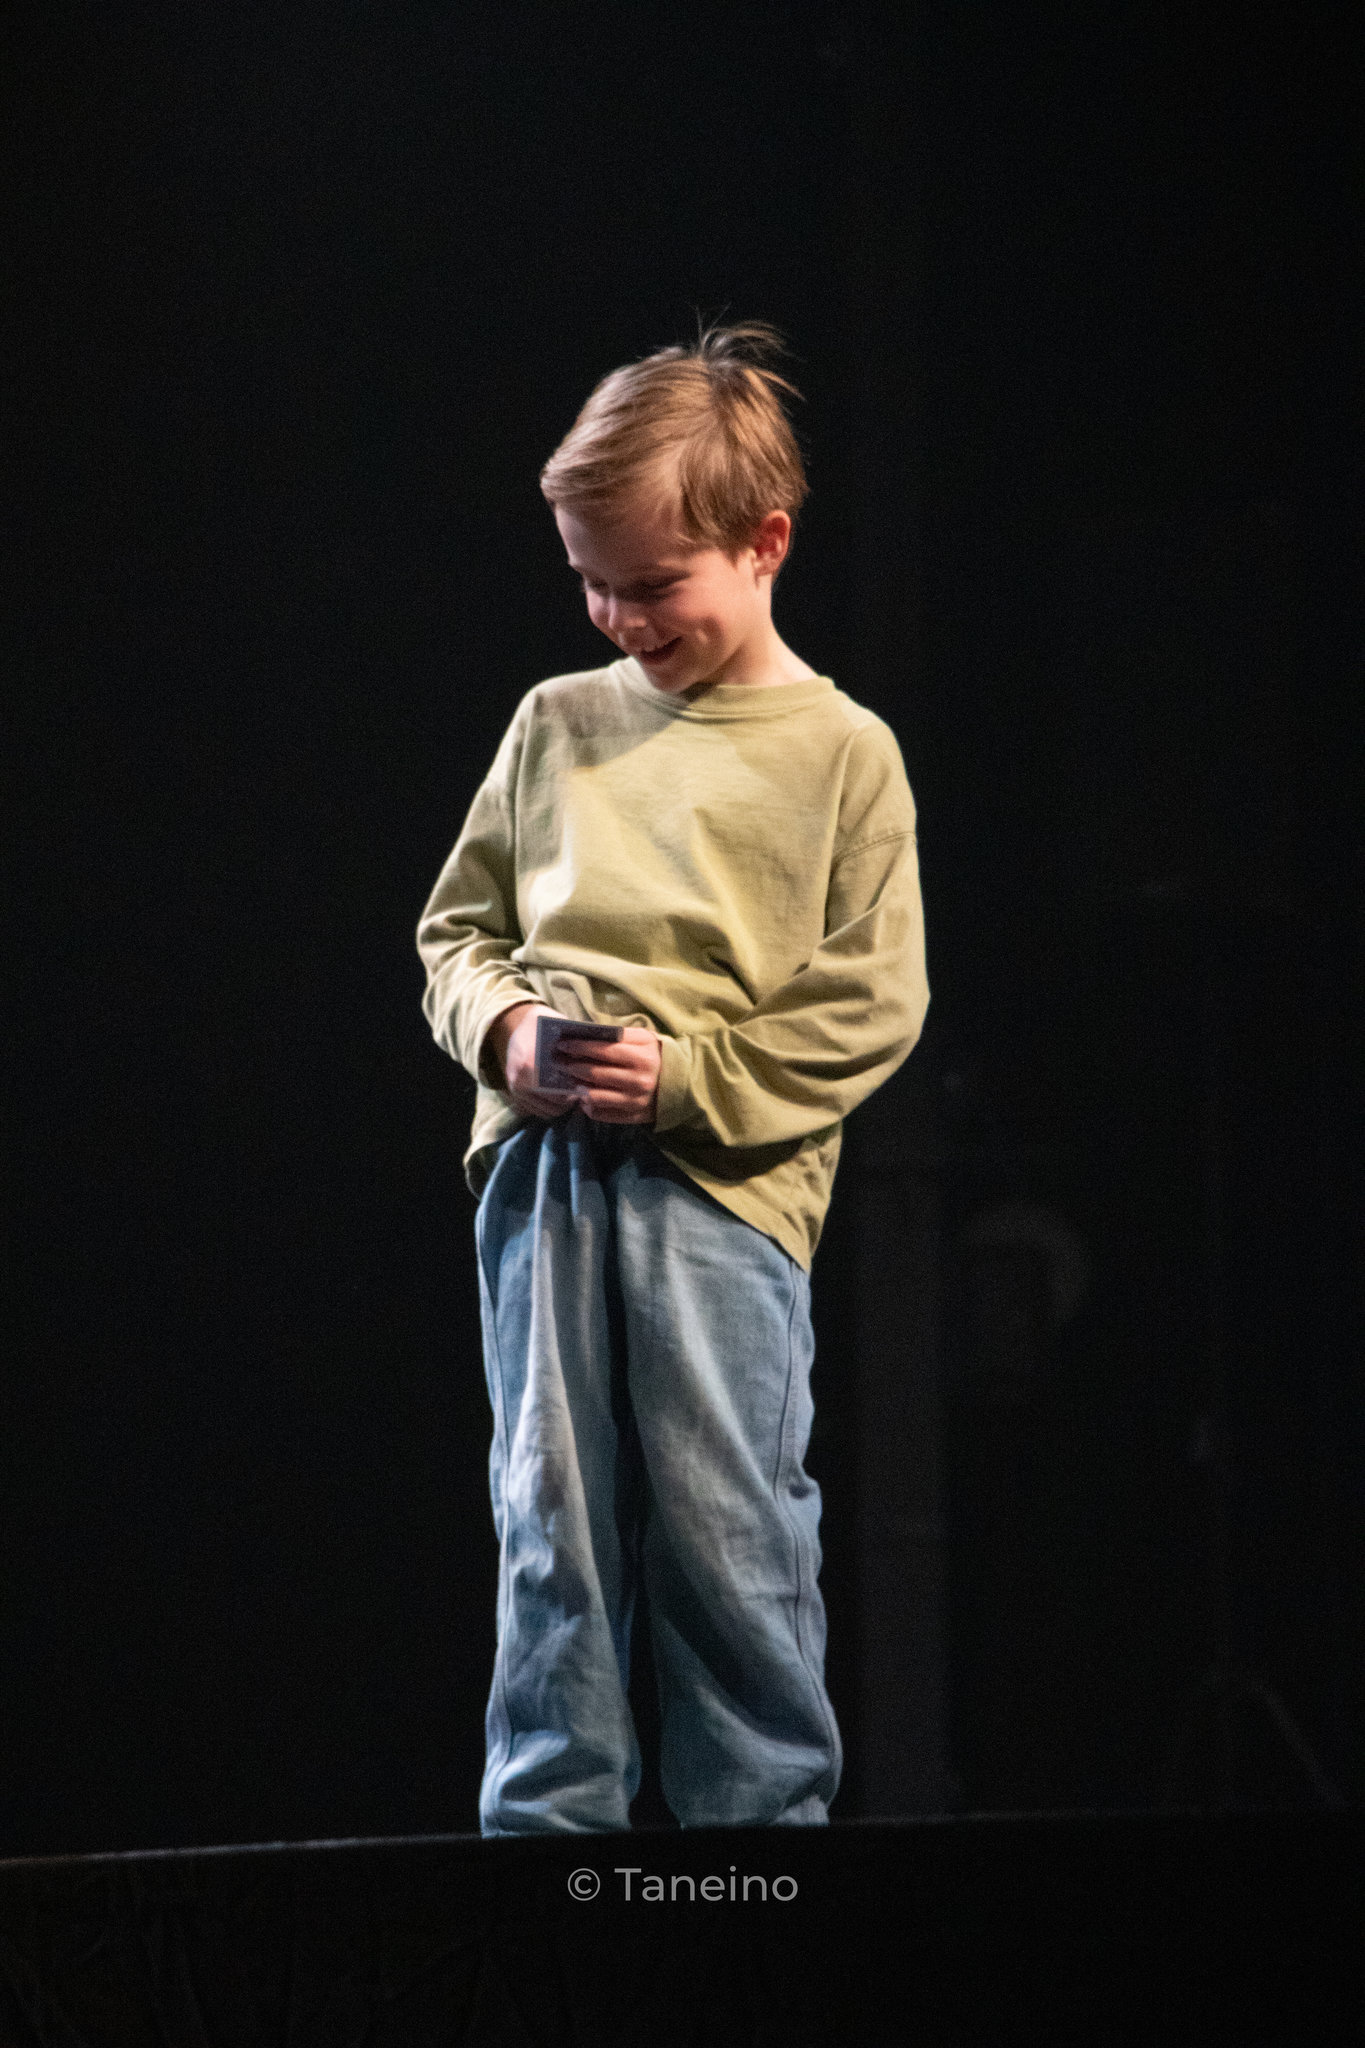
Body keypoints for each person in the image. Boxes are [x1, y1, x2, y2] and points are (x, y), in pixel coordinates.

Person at [416, 323, 929, 1835]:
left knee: (726, 1527)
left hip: (724, 1189)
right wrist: (509, 1034)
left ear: (765, 543)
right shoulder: (554, 723)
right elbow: (457, 933)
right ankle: (551, 1846)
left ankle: (757, 1853)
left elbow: (872, 999)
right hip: (546, 1175)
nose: (619, 617)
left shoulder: (841, 753)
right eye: (592, 582)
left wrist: (692, 1080)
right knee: (549, 1524)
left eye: (652, 584)